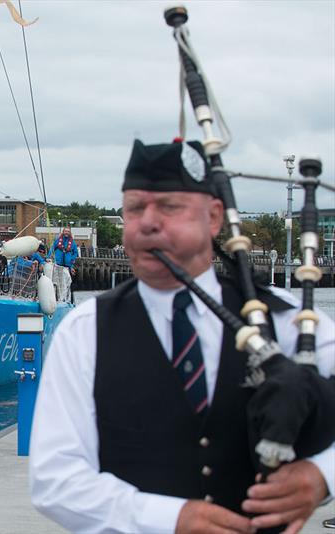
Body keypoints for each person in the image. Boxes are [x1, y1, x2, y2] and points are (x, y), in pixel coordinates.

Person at [29, 139, 335, 534]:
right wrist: (168, 519)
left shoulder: (286, 318)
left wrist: (320, 475)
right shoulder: (85, 331)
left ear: (213, 217)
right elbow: (55, 477)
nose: (148, 221)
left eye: (169, 206)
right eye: (135, 208)